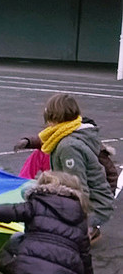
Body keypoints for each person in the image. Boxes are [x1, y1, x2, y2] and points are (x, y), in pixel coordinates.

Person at [0, 171, 96, 274]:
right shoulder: (80, 214)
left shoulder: (37, 203)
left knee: (17, 237)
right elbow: (85, 252)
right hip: (65, 271)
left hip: (31, 261)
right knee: (69, 256)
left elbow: (9, 211)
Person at [37, 94, 113, 243]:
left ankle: (87, 229)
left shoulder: (68, 146)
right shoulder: (67, 136)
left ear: (53, 117)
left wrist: (75, 220)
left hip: (95, 206)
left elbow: (78, 187)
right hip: (94, 201)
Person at [13, 117, 118, 190]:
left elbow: (111, 176)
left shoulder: (95, 151)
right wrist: (28, 141)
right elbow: (46, 140)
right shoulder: (57, 147)